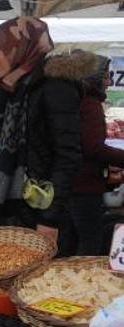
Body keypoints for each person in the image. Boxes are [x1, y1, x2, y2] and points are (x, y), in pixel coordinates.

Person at [0, 17, 81, 245]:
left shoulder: (55, 87)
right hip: (10, 207)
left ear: (20, 48)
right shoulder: (9, 87)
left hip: (40, 210)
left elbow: (67, 157)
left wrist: (49, 218)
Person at [47, 50, 124, 256]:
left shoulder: (75, 100)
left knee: (68, 242)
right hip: (84, 186)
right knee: (90, 241)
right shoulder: (90, 104)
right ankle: (83, 281)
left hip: (68, 184)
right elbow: (93, 147)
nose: (108, 82)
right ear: (95, 78)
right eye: (106, 76)